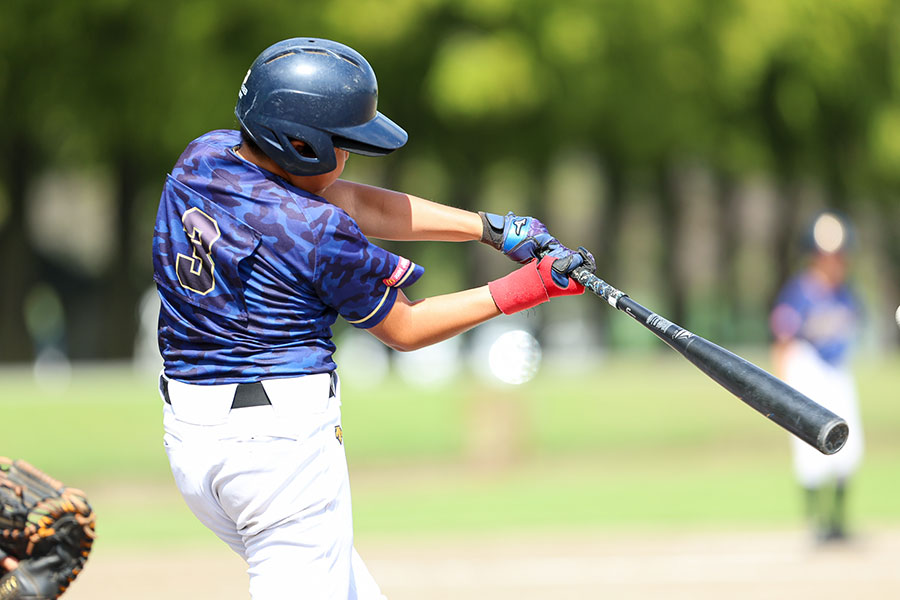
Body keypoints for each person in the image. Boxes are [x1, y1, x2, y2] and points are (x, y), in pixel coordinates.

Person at [152, 37, 594, 599]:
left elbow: (351, 201)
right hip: (276, 455)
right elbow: (405, 329)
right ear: (300, 144)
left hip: (191, 441)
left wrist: (486, 227)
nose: (347, 156)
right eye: (342, 145)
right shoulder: (317, 233)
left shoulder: (203, 157)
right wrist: (528, 287)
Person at [770, 211, 865, 543]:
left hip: (837, 371)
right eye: (827, 255)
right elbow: (783, 338)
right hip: (808, 370)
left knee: (848, 447)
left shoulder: (846, 294)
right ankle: (815, 524)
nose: (836, 261)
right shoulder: (801, 291)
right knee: (809, 450)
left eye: (839, 254)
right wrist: (780, 387)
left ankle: (837, 521)